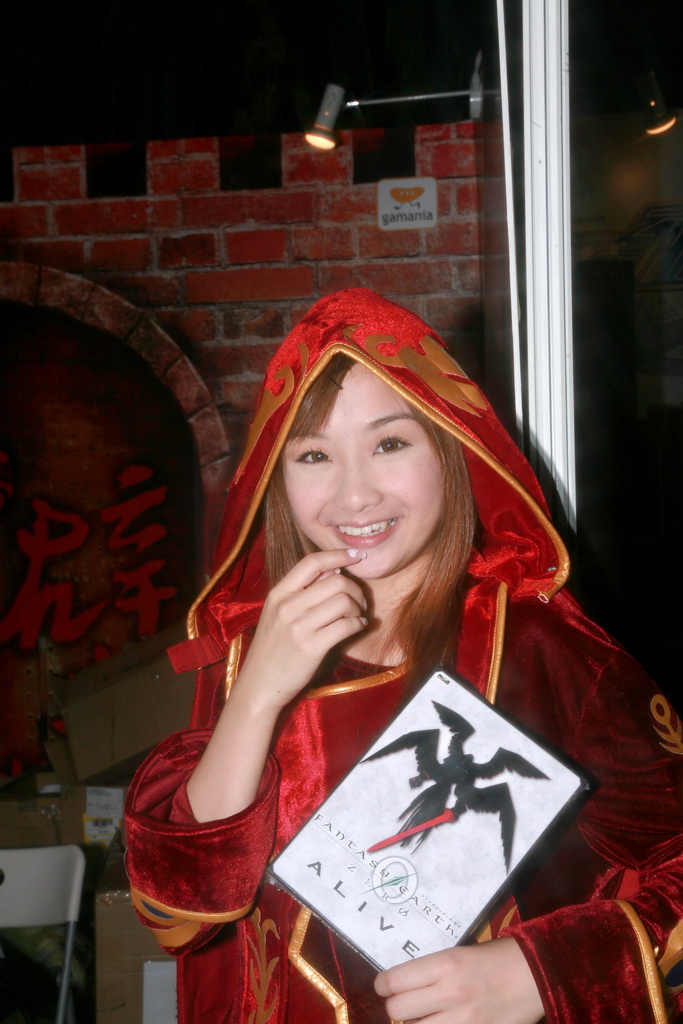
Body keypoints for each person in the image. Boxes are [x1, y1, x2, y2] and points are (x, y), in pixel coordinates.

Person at [125, 288, 683, 1024]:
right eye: (314, 455)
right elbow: (177, 917)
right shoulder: (250, 650)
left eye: (390, 444)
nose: (354, 496)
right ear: (275, 480)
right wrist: (256, 696)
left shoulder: (538, 649)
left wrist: (541, 973)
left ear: (451, 449)